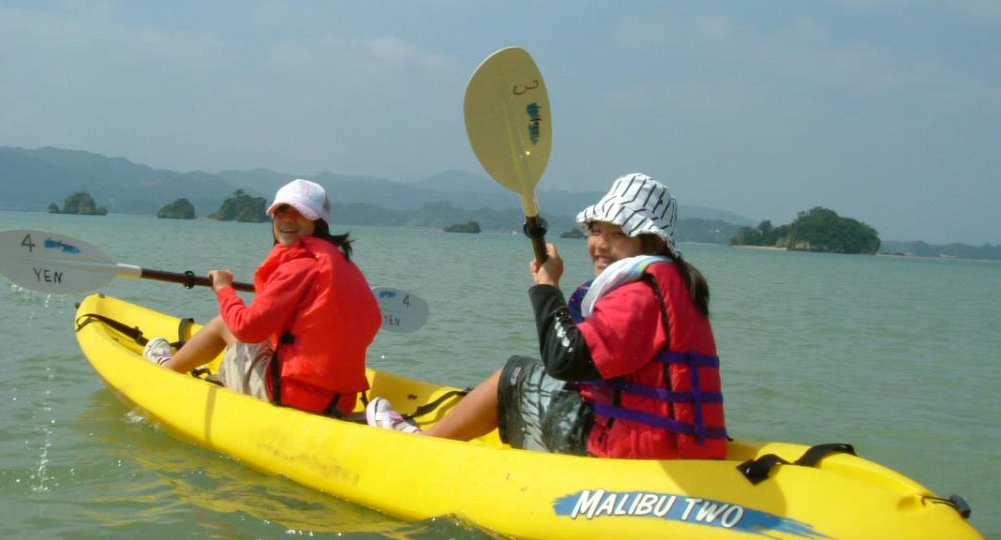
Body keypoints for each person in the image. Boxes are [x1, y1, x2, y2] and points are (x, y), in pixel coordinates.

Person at [366, 172, 728, 460]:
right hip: (673, 442)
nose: (601, 244)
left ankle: (423, 444)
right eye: (596, 230)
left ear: (651, 243)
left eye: (618, 234)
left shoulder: (639, 294)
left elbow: (564, 359)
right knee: (536, 377)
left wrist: (546, 287)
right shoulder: (673, 285)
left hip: (630, 448)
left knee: (514, 375)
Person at [145, 179, 383, 417]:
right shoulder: (346, 265)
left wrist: (223, 288)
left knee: (224, 322)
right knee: (268, 337)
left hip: (292, 396)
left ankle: (166, 371)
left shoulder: (300, 265)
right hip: (339, 402)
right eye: (280, 211)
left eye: (300, 212)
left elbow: (246, 328)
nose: (287, 219)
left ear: (318, 220)